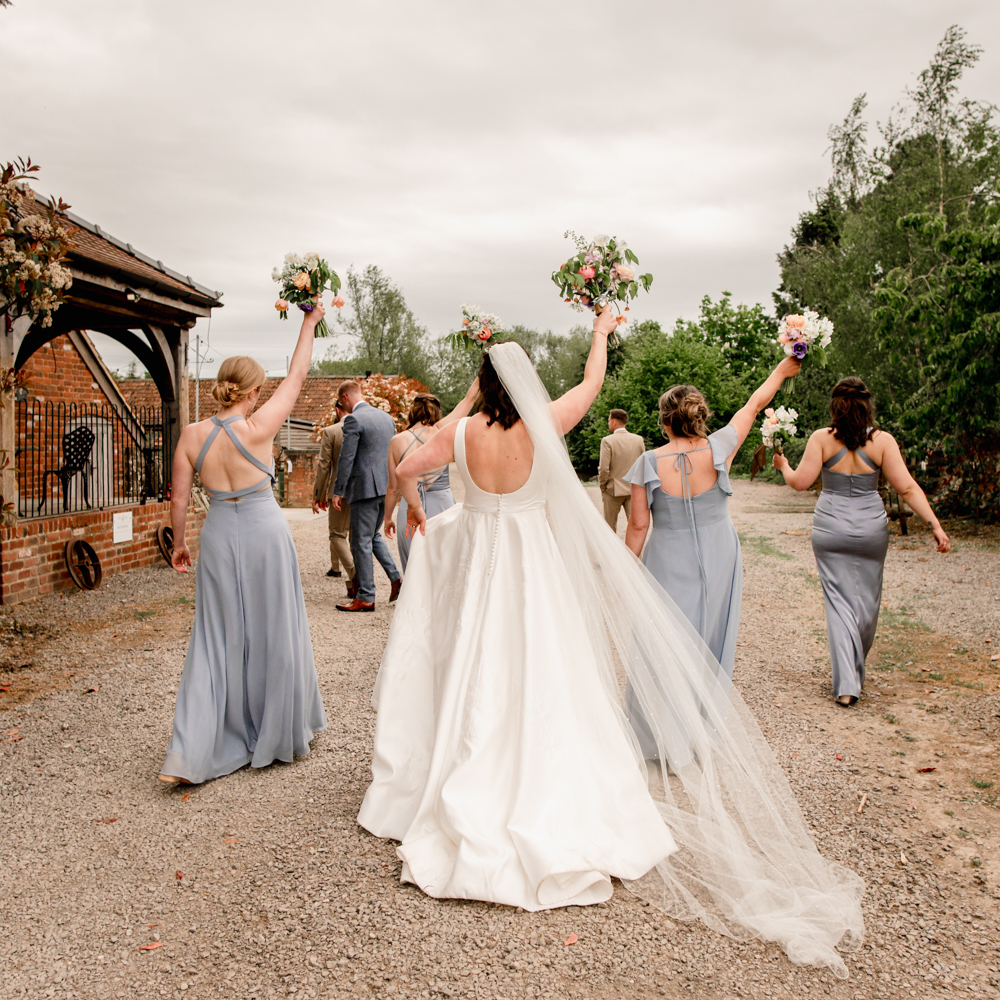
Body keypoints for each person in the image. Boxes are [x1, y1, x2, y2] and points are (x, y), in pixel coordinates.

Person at [356, 316, 863, 978]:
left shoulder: (460, 432)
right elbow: (595, 381)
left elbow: (406, 461)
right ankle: (543, 772)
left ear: (483, 386)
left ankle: (469, 772)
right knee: (544, 670)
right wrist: (601, 326)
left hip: (485, 568)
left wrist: (415, 509)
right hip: (534, 570)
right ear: (529, 384)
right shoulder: (546, 425)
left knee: (479, 671)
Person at [160, 306, 327, 785]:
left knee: (215, 637)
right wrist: (309, 322)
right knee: (274, 628)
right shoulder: (259, 427)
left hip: (218, 536)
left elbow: (180, 497)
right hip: (264, 533)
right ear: (253, 392)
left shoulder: (191, 436)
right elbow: (298, 373)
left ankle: (193, 750)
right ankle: (275, 731)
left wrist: (178, 544)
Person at [773, 376, 950, 705]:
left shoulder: (821, 440)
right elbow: (907, 488)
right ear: (867, 406)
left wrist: (784, 466)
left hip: (831, 529)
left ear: (835, 406)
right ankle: (849, 677)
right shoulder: (882, 442)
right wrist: (934, 525)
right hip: (871, 530)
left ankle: (847, 683)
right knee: (867, 603)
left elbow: (800, 482)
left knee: (839, 604)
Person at [624, 357, 801, 685]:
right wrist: (781, 369)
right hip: (720, 553)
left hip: (666, 557)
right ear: (699, 416)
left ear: (664, 422)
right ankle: (703, 711)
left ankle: (667, 715)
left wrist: (624, 570)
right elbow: (754, 404)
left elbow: (637, 526)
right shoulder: (720, 448)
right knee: (711, 632)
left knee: (665, 637)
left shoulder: (648, 462)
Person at [383, 383, 480, 570]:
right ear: (436, 412)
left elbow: (393, 487)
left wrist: (388, 518)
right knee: (445, 563)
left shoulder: (397, 441)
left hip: (409, 507)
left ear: (412, 412)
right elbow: (469, 399)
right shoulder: (442, 432)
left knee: (414, 566)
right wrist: (486, 367)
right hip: (443, 505)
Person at [331, 380, 401, 612]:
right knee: (373, 537)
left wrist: (338, 491)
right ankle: (397, 579)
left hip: (364, 490)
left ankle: (366, 596)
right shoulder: (386, 418)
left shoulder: (353, 420)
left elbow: (346, 458)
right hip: (386, 488)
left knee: (359, 541)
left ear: (345, 398)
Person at [312, 399, 357, 598]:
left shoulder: (331, 432)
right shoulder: (364, 427)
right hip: (364, 491)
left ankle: (356, 576)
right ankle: (357, 577)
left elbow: (324, 466)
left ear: (338, 410)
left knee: (337, 534)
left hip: (339, 491)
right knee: (358, 537)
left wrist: (318, 495)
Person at [598, 408, 644, 532]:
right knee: (635, 526)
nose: (608, 424)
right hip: (633, 489)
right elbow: (642, 466)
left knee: (610, 527)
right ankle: (635, 552)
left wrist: (603, 485)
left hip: (613, 490)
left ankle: (610, 552)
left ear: (614, 422)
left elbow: (603, 468)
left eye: (608, 421)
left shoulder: (607, 441)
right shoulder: (639, 440)